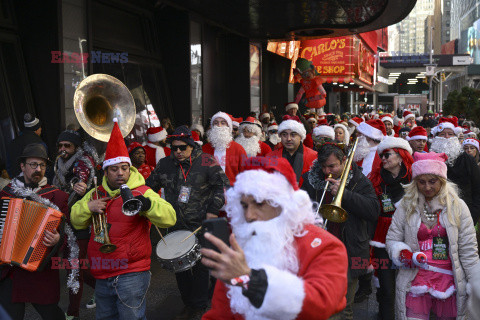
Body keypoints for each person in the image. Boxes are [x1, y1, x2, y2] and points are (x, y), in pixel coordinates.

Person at [202, 157, 349, 320]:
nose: (249, 216)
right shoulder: (241, 246)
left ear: (283, 204)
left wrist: (250, 280)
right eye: (244, 206)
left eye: (259, 204)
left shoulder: (327, 246)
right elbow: (221, 312)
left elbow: (321, 303)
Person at [71, 120, 176, 320]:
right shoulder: (94, 193)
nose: (120, 173)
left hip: (132, 272)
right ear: (106, 171)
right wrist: (87, 207)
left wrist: (147, 205)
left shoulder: (142, 191)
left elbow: (169, 218)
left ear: (130, 170)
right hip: (102, 271)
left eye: (124, 168)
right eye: (115, 169)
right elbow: (76, 221)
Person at [146, 126, 229, 319]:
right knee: (179, 266)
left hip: (201, 223)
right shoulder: (165, 164)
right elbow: (148, 187)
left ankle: (199, 305)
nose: (178, 152)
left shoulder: (207, 161)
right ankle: (188, 303)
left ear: (191, 145)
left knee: (200, 265)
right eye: (174, 148)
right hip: (175, 223)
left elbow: (221, 186)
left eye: (182, 148)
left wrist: (212, 210)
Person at [386, 152, 480, 320]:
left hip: (449, 282)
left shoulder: (458, 206)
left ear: (442, 181)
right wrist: (402, 253)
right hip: (415, 279)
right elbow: (393, 239)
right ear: (415, 182)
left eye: (432, 181)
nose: (427, 187)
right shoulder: (406, 205)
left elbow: (468, 251)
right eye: (421, 182)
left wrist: (476, 283)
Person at [301, 143, 380, 320]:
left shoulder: (358, 180)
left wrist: (344, 195)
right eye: (323, 166)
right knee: (320, 305)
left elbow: (373, 210)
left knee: (343, 308)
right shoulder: (310, 179)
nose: (326, 171)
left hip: (348, 250)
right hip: (318, 249)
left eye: (332, 166)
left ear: (344, 161)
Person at [0, 144, 70, 320]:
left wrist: (58, 239)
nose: (38, 169)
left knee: (52, 315)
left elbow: (68, 234)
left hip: (40, 269)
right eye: (33, 165)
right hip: (11, 272)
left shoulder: (56, 196)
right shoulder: (6, 194)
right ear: (22, 166)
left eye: (42, 165)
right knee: (11, 316)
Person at [51, 129, 99, 319]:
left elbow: (80, 180)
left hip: (80, 222)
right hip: (64, 219)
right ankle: (105, 290)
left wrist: (79, 187)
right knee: (75, 266)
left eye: (67, 146)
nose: (63, 149)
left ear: (76, 147)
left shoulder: (82, 162)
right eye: (60, 145)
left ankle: (73, 313)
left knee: (74, 267)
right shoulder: (59, 163)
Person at [368, 136, 414, 319]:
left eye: (387, 154)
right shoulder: (375, 180)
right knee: (386, 287)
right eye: (382, 156)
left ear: (401, 156)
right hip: (382, 239)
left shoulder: (416, 179)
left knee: (409, 286)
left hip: (409, 238)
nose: (383, 159)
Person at [430, 118, 480, 225]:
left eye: (450, 134)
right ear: (436, 137)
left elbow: (477, 189)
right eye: (443, 134)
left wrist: (473, 216)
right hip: (435, 216)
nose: (447, 137)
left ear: (455, 136)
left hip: (464, 215)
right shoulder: (429, 160)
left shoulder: (468, 160)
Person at [266, 119, 317, 187]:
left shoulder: (314, 157)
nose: (288, 139)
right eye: (284, 135)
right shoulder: (270, 157)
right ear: (280, 136)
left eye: (293, 135)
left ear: (301, 136)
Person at [203, 112, 247, 186]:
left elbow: (245, 174)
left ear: (228, 127)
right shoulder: (205, 148)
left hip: (232, 192)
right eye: (216, 123)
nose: (219, 126)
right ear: (212, 126)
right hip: (210, 192)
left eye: (223, 123)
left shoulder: (238, 149)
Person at [7, 113, 47, 178]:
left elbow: (9, 166)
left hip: (16, 182)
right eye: (40, 127)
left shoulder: (13, 143)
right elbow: (43, 167)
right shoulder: (39, 144)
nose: (41, 129)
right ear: (36, 129)